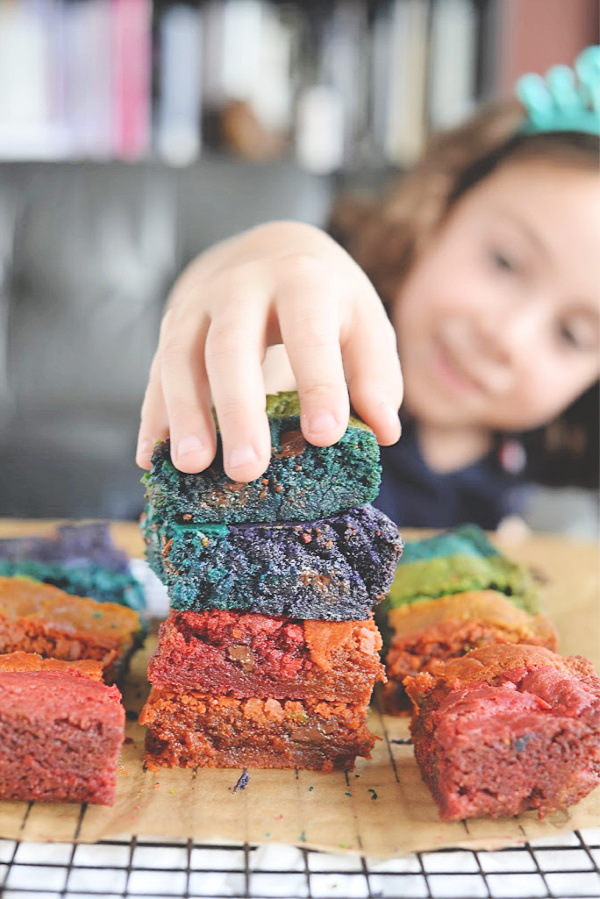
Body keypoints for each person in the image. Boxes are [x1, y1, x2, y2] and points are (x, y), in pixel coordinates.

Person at [136, 47, 600, 531]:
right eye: (504, 262)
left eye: (573, 335)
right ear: (439, 210)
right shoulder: (306, 362)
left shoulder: (518, 476)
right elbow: (244, 291)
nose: (506, 336)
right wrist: (278, 253)